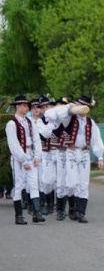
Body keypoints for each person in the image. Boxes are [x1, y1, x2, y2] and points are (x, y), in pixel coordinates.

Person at [5, 95, 44, 224]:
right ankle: (19, 216)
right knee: (19, 184)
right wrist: (23, 160)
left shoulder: (30, 122)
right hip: (19, 158)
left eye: (26, 105)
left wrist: (37, 155)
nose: (25, 107)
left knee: (34, 183)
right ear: (17, 106)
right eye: (23, 105)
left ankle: (37, 213)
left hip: (31, 153)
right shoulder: (12, 124)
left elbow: (36, 139)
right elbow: (14, 144)